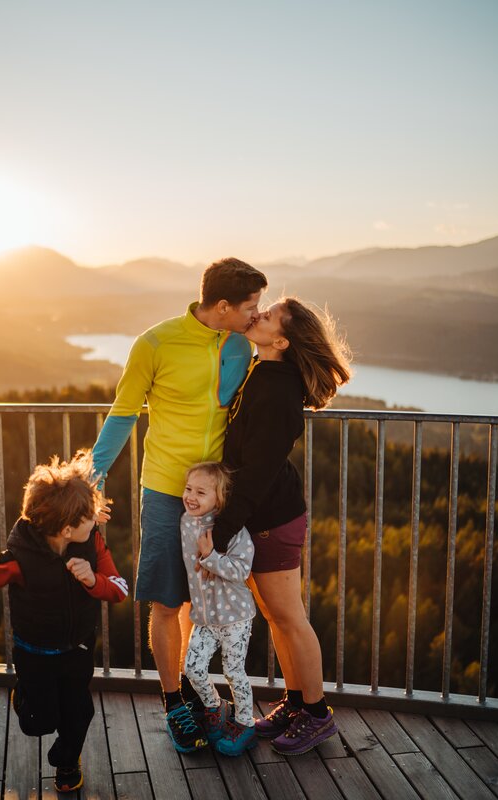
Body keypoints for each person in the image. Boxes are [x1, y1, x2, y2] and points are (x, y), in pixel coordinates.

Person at [91, 257, 267, 752]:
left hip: (222, 498)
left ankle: (202, 697)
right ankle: (175, 704)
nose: (258, 313)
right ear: (225, 305)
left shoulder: (240, 342)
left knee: (207, 603)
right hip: (170, 492)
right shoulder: (155, 342)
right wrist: (91, 477)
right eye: (251, 305)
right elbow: (123, 412)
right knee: (168, 602)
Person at [211, 296, 351, 756]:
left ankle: (317, 714)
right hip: (261, 516)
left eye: (267, 316)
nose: (258, 316)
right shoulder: (264, 372)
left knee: (290, 617)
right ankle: (295, 703)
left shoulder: (278, 389)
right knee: (277, 617)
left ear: (283, 340)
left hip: (272, 519)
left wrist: (226, 525)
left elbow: (259, 470)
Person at [0, 450, 128, 793]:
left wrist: (93, 581)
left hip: (77, 650)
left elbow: (119, 589)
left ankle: (66, 763)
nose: (98, 518)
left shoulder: (92, 544)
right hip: (33, 654)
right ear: (66, 528)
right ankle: (25, 698)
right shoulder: (20, 559)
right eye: (91, 515)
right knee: (38, 722)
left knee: (78, 713)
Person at [181, 461, 257, 756]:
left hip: (235, 617)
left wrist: (211, 556)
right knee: (192, 667)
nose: (191, 496)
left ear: (220, 499)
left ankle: (245, 723)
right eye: (188, 489)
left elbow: (241, 571)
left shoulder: (236, 533)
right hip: (204, 616)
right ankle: (215, 707)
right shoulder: (187, 522)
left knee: (234, 671)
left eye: (201, 492)